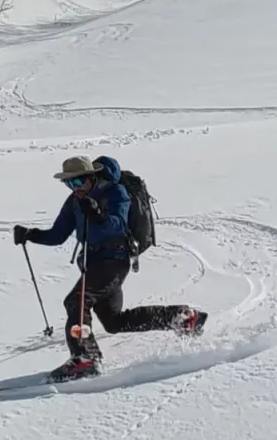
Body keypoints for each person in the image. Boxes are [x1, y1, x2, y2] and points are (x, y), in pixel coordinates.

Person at [13, 154, 208, 382]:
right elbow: (58, 235)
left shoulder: (115, 192)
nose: (75, 187)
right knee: (113, 321)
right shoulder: (75, 201)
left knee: (76, 301)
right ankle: (182, 317)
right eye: (69, 182)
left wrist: (97, 214)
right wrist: (31, 234)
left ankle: (85, 357)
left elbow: (117, 224)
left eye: (79, 180)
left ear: (92, 177)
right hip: (94, 262)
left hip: (115, 260)